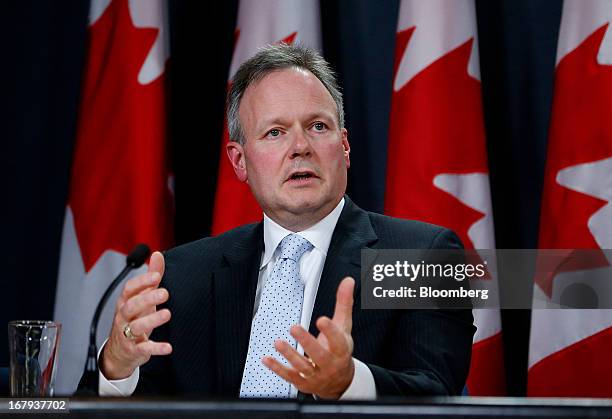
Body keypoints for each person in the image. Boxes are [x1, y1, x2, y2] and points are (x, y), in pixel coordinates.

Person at [95, 43, 475, 399]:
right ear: (239, 161)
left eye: (318, 127)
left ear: (344, 146)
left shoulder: (419, 257)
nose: (300, 147)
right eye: (275, 132)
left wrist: (349, 381)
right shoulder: (184, 276)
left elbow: (437, 392)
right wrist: (117, 364)